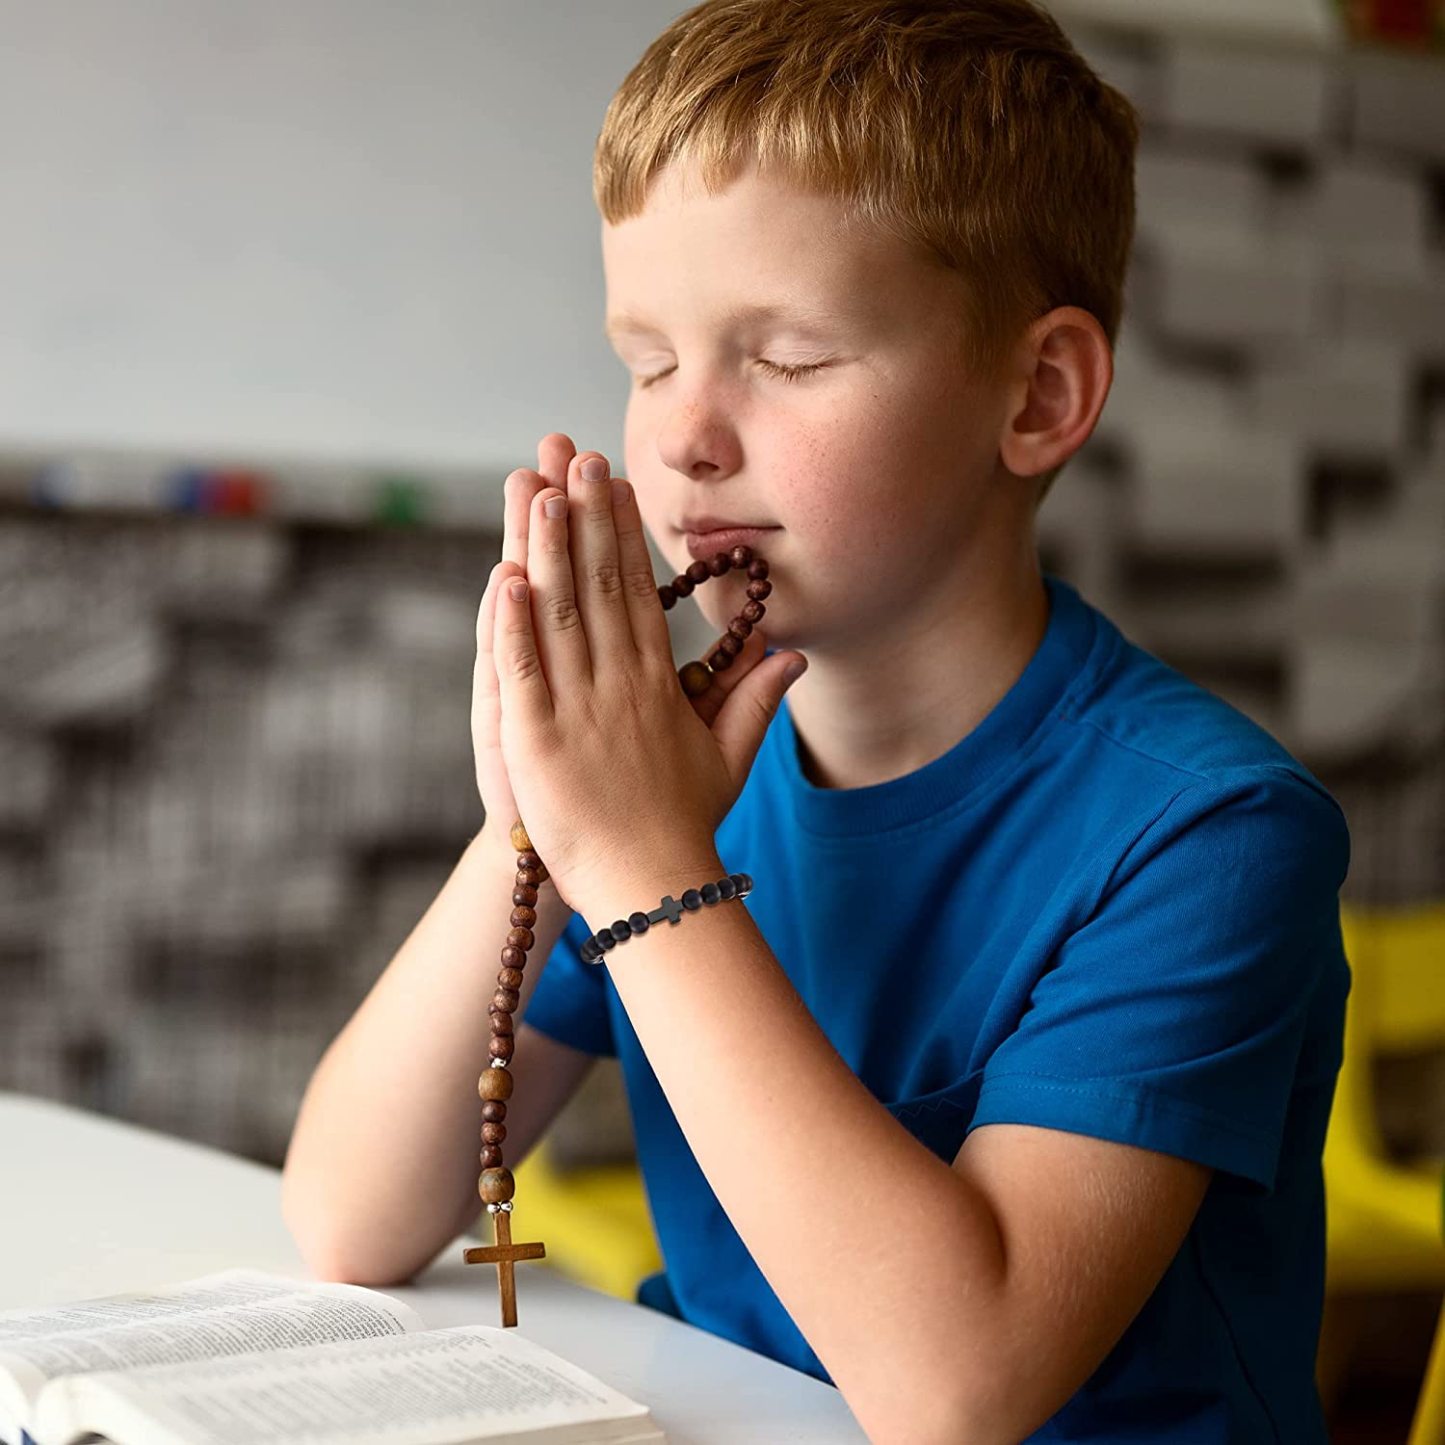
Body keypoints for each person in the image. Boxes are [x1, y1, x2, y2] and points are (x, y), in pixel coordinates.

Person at [282, 3, 1351, 1440]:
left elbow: (953, 1385)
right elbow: (352, 1216)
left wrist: (646, 867)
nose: (679, 435)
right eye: (649, 358)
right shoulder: (676, 781)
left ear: (1036, 396)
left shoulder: (1209, 835)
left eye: (783, 356)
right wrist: (534, 823)